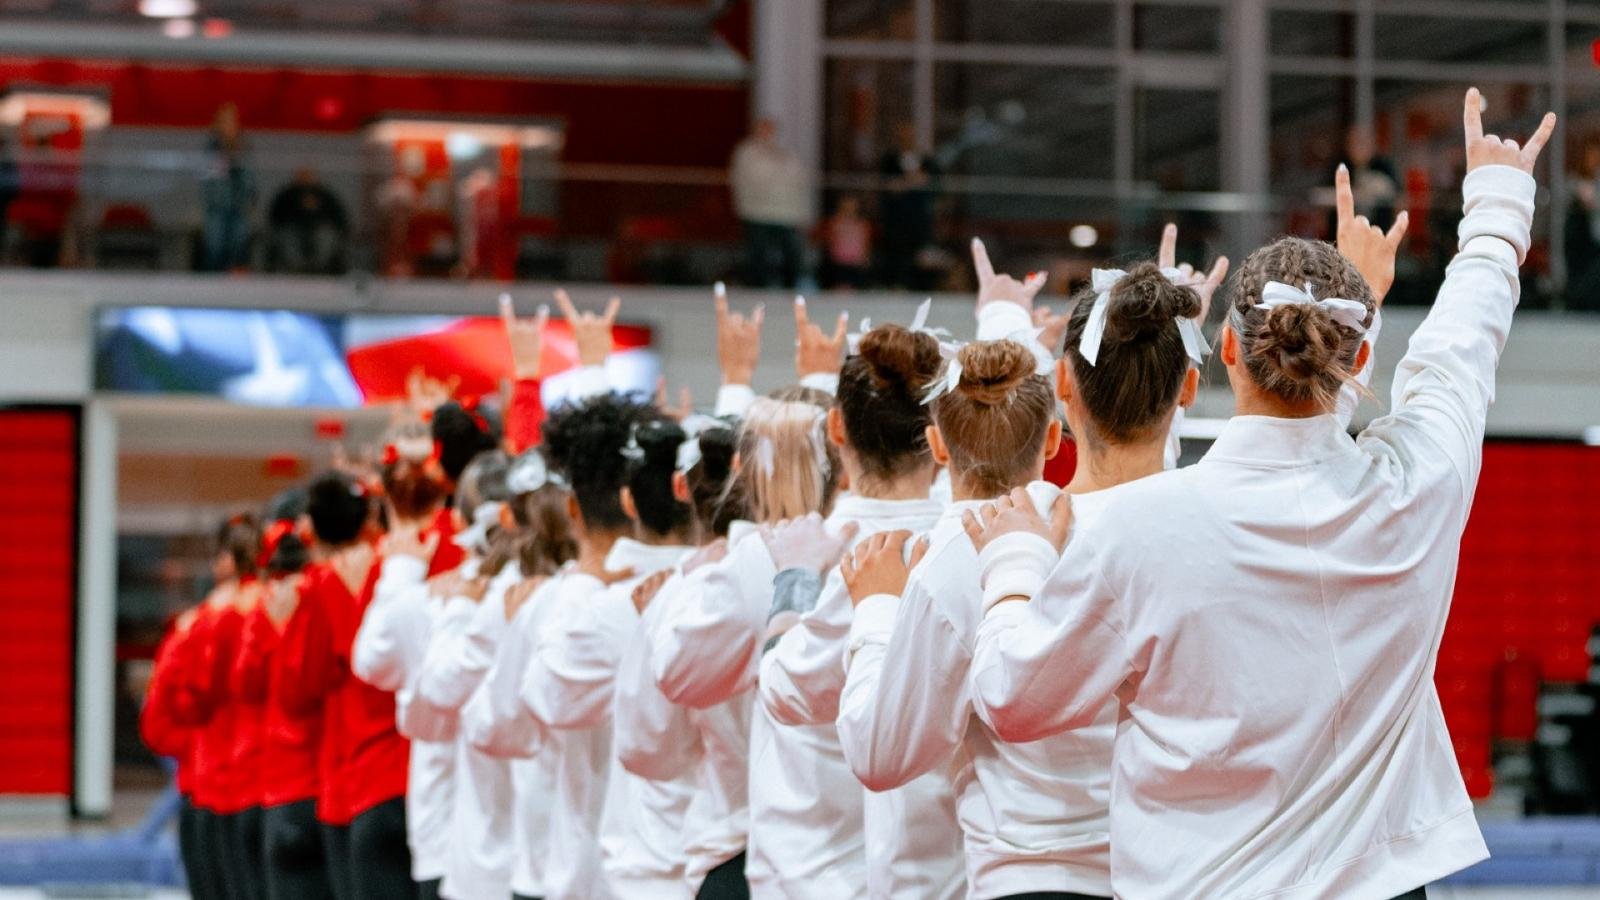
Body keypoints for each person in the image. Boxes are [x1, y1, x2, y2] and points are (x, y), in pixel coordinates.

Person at [961, 89, 1553, 899]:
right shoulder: (1419, 484)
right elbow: (1459, 351)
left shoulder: (1139, 527)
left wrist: (1012, 565)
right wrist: (1496, 207)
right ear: (1359, 357)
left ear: (1230, 351)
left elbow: (1013, 701)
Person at [755, 320, 964, 899]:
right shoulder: (973, 541)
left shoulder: (802, 554)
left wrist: (793, 586)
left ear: (835, 428)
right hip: (947, 871)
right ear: (937, 436)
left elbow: (782, 690)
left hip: (817, 873)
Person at [277, 471, 413, 900]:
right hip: (413, 766)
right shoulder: (400, 566)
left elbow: (297, 690)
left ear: (313, 530)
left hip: (353, 776)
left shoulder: (318, 587)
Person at [730, 118, 810, 288]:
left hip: (786, 213)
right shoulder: (748, 152)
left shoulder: (785, 153)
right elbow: (753, 178)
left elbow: (797, 178)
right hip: (757, 212)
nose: (768, 133)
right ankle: (756, 287)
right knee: (758, 253)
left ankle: (791, 287)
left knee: (791, 253)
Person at [879, 121, 939, 290]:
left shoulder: (926, 160)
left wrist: (904, 183)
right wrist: (913, 181)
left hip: (919, 216)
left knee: (921, 253)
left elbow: (928, 181)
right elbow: (891, 187)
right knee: (898, 252)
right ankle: (898, 284)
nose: (906, 138)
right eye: (902, 135)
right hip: (897, 217)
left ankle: (921, 285)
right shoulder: (890, 160)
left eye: (909, 135)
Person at [200, 103, 257, 272]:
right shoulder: (212, 146)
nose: (228, 125)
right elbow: (209, 178)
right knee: (215, 244)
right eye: (224, 121)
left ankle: (234, 278)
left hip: (240, 203)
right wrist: (212, 199)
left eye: (231, 121)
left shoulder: (244, 145)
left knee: (238, 242)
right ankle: (213, 277)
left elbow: (250, 175)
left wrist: (251, 197)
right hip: (218, 204)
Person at [268, 168, 348, 275]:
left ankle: (319, 268)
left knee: (326, 236)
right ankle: (296, 268)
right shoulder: (287, 195)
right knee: (288, 237)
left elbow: (340, 219)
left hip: (320, 229)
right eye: (302, 176)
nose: (305, 180)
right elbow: (275, 217)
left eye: (309, 176)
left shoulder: (326, 195)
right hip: (293, 229)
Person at [819, 195, 872, 289]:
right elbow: (829, 240)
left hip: (856, 262)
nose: (849, 209)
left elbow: (865, 242)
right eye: (846, 206)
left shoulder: (862, 224)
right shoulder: (835, 222)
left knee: (855, 289)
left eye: (852, 206)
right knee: (840, 288)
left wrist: (866, 256)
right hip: (839, 262)